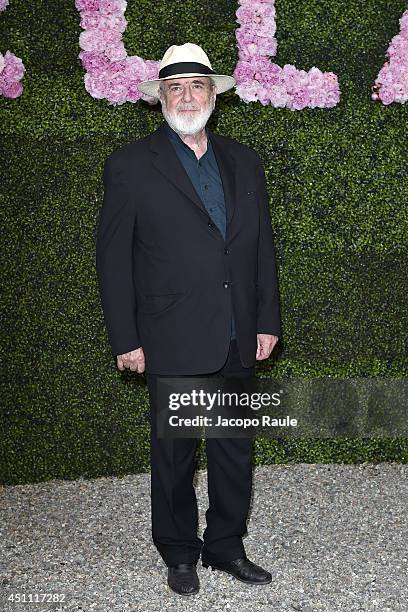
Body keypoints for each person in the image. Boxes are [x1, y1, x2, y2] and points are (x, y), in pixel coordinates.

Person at [96, 42, 281, 596]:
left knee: (233, 450)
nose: (186, 96)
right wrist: (126, 337)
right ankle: (179, 552)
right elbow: (112, 259)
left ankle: (226, 546)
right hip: (169, 334)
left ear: (213, 95)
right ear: (160, 100)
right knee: (175, 455)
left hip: (235, 331)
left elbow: (260, 248)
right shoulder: (130, 165)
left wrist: (265, 319)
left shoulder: (244, 160)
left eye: (197, 85)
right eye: (174, 88)